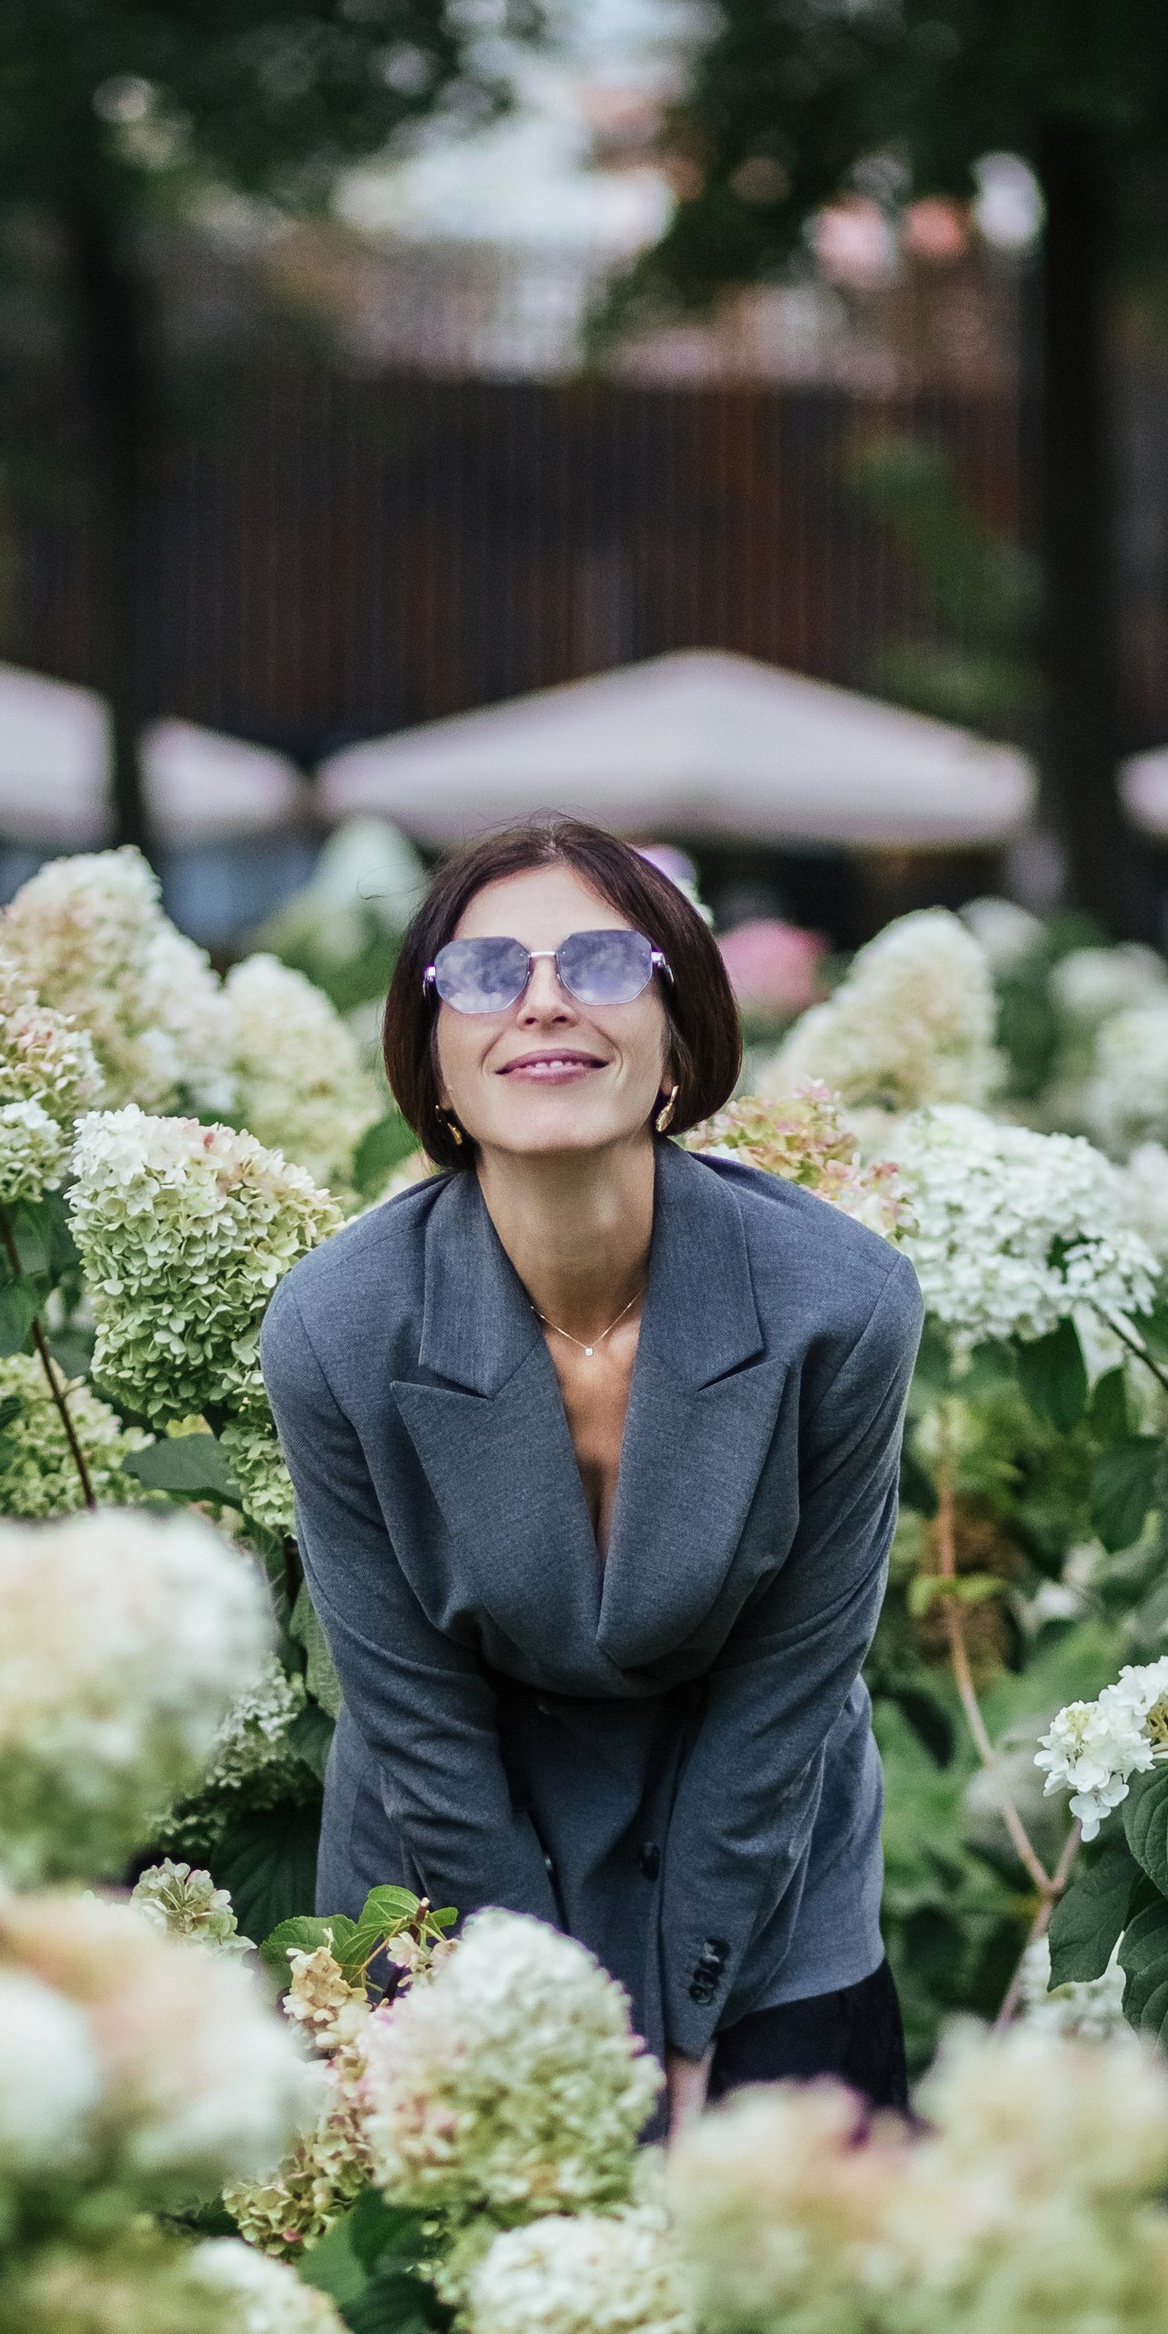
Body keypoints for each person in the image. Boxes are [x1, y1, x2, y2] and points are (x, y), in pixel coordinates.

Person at [258, 813, 925, 2132]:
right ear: (433, 1061)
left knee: (794, 2253)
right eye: (486, 973)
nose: (545, 1001)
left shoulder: (842, 1305)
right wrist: (567, 2037)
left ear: (679, 1039)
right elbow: (415, 1722)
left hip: (762, 1868)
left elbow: (789, 1691)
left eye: (604, 964)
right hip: (450, 1871)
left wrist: (693, 2014)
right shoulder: (336, 1329)